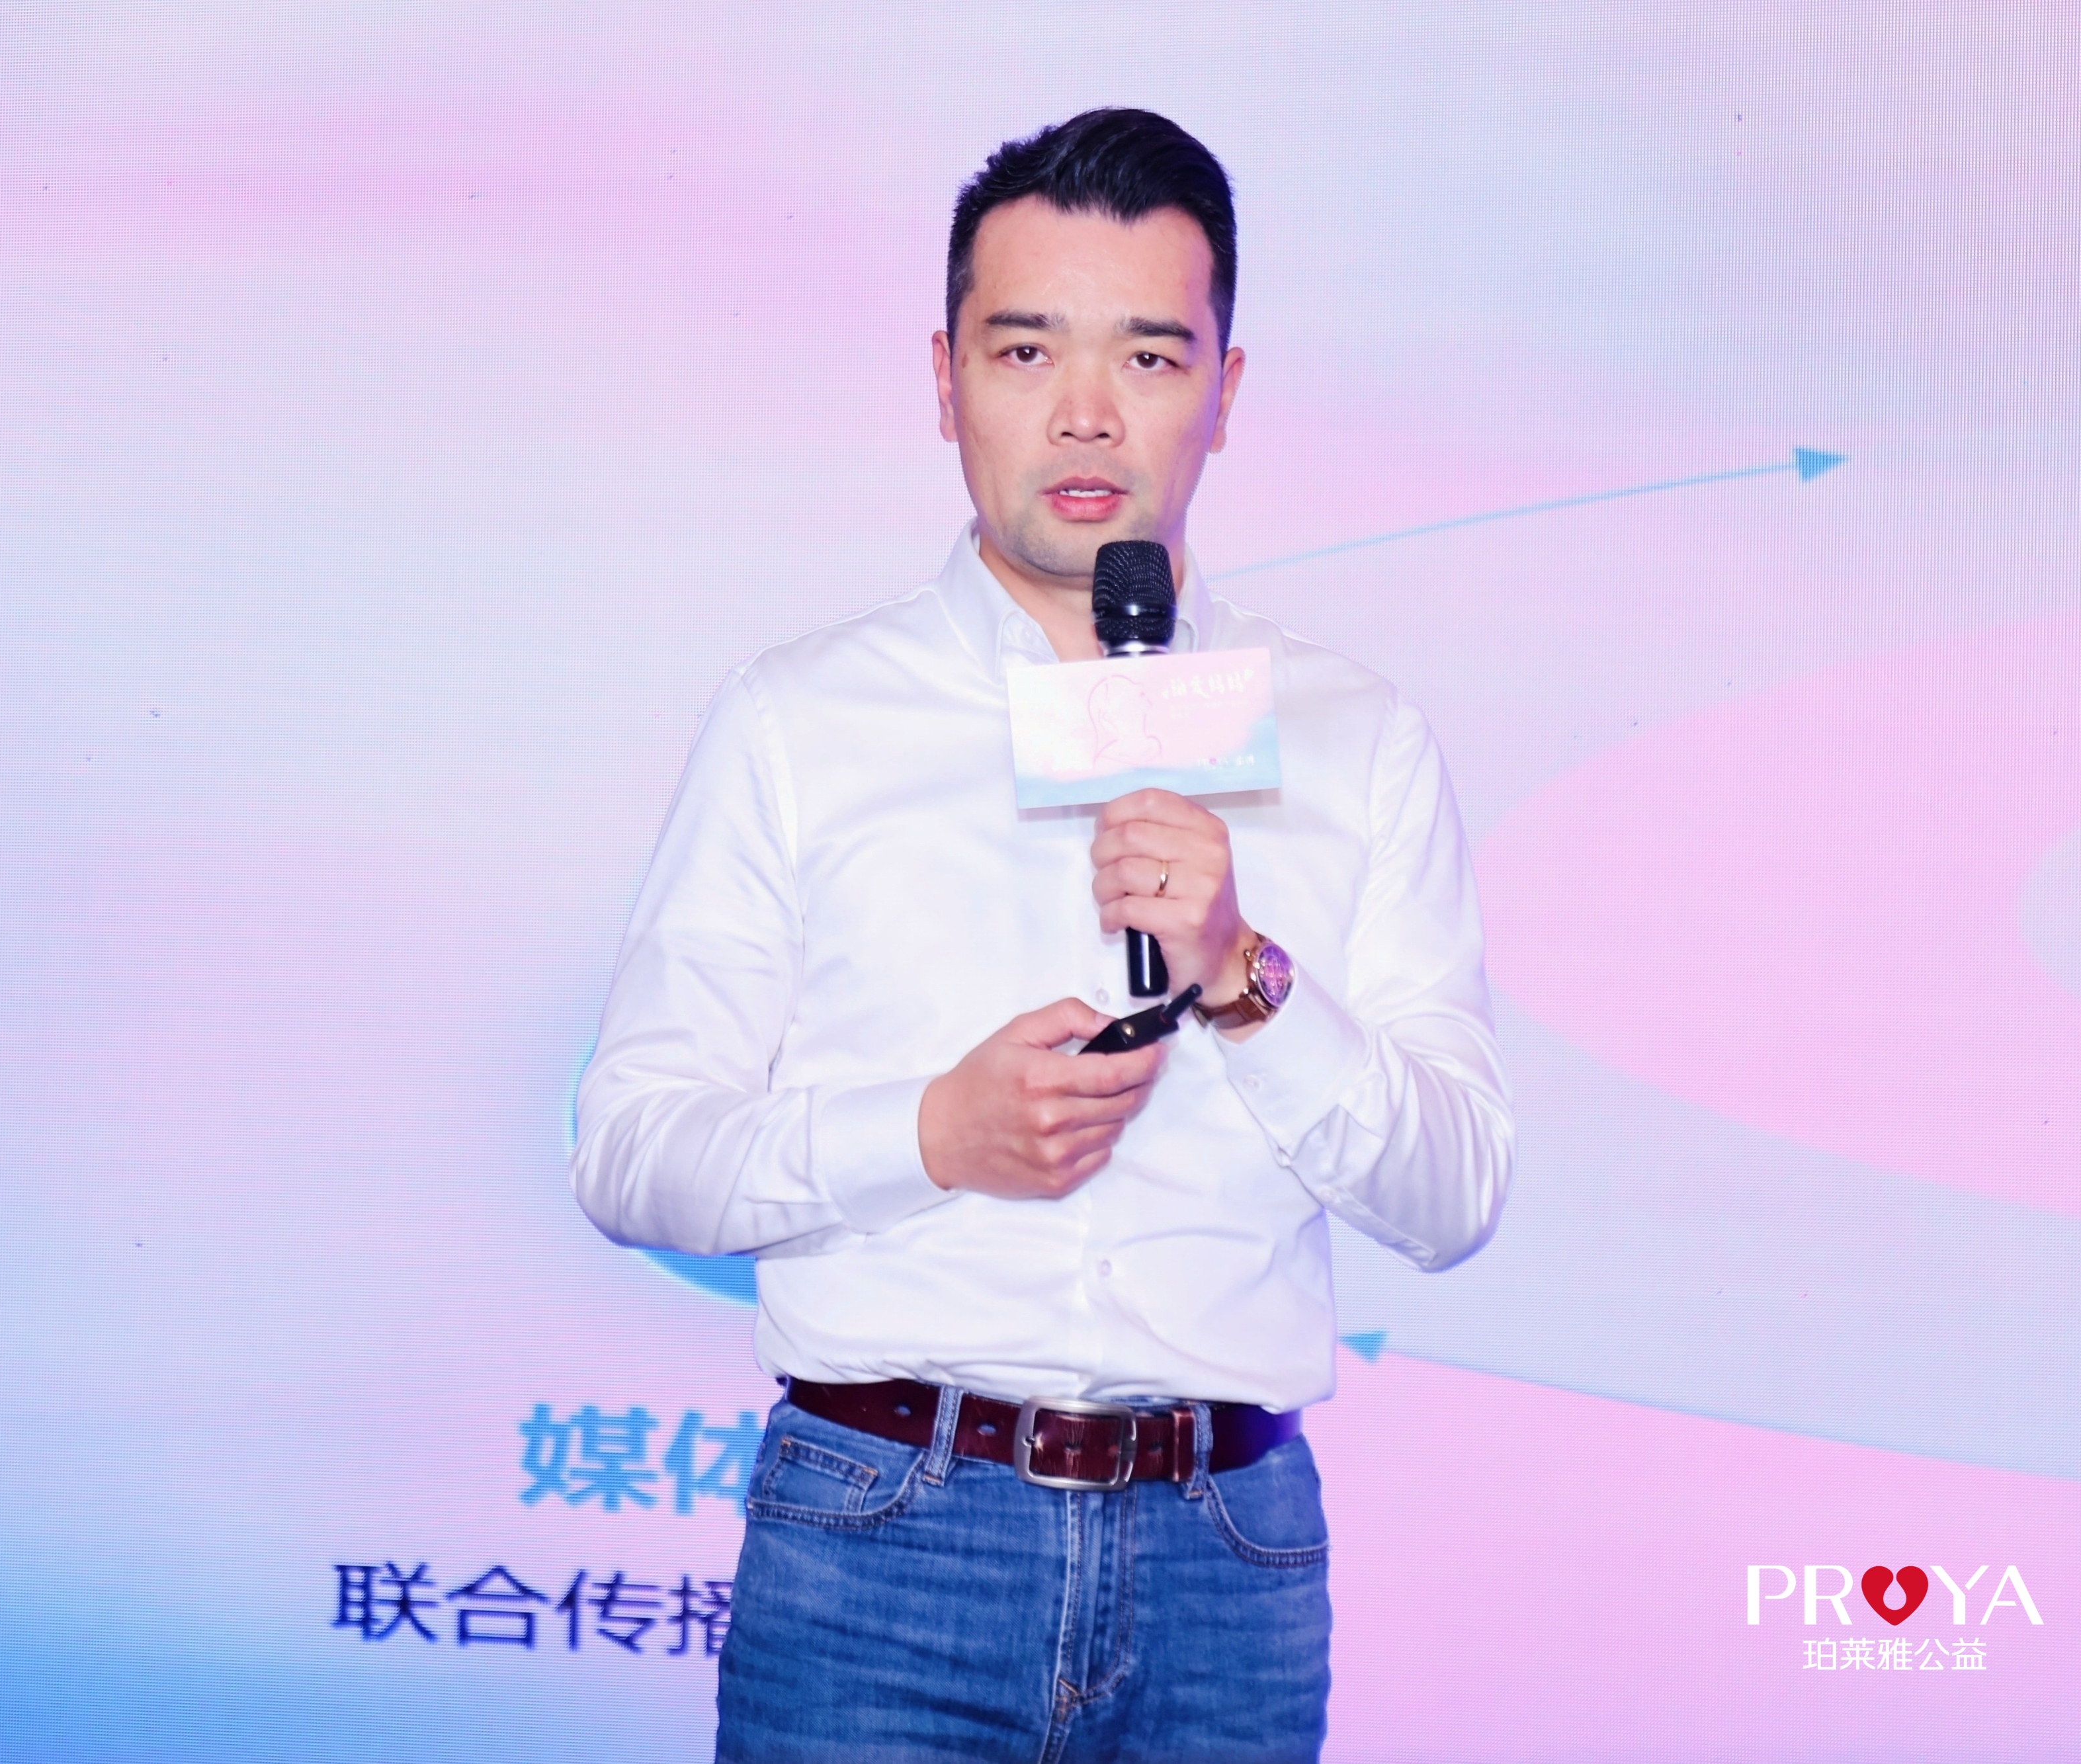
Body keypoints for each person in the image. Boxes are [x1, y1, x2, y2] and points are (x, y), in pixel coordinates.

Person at [572, 107, 1513, 1763]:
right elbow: (633, 1152)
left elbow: (1454, 1198)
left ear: (1225, 388)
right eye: (1027, 350)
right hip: (886, 1535)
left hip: (1227, 1555)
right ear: (945, 381)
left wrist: (1244, 975)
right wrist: (933, 1132)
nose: (1088, 411)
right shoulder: (804, 719)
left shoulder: (1354, 734)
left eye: (1149, 355)